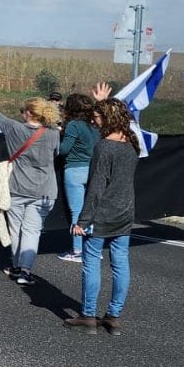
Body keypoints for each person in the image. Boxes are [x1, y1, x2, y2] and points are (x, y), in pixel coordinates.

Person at [0, 78, 61, 285]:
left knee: (16, 228)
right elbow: (56, 154)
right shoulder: (54, 134)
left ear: (29, 113)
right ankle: (25, 271)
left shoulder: (14, 129)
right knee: (32, 230)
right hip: (45, 190)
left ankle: (17, 265)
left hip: (18, 187)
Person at [64, 98, 139, 335]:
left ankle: (88, 314)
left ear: (107, 118)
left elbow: (96, 186)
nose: (94, 122)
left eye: (97, 117)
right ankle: (114, 316)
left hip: (102, 213)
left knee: (92, 262)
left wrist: (82, 221)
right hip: (126, 211)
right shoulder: (132, 143)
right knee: (120, 263)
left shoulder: (104, 146)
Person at [56, 93, 99, 263]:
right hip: (92, 170)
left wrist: (57, 139)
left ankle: (77, 250)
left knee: (77, 212)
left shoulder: (73, 125)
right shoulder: (94, 127)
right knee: (91, 211)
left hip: (74, 170)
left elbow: (64, 149)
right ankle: (93, 249)